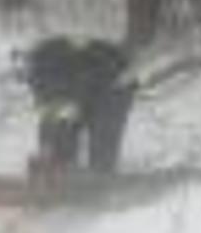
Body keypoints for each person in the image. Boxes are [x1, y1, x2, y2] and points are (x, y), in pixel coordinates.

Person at [21, 36, 134, 179]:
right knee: (59, 129)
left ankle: (101, 174)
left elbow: (58, 111)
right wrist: (50, 153)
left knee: (103, 143)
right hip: (72, 72)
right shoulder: (43, 75)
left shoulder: (57, 74)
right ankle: (60, 166)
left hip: (112, 82)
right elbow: (52, 116)